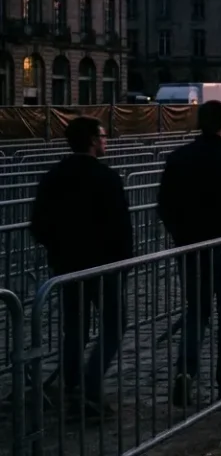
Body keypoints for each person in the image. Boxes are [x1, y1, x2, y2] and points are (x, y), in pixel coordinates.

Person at [157, 100, 221, 406]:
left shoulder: (178, 158)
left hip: (192, 248)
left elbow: (165, 204)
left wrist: (181, 235)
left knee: (196, 311)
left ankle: (186, 370)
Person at [30, 116, 131, 413]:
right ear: (92, 140)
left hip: (66, 265)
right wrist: (124, 262)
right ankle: (90, 382)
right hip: (104, 266)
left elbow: (39, 224)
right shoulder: (107, 177)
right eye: (103, 135)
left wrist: (59, 247)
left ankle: (73, 385)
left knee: (74, 328)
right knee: (114, 324)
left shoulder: (53, 176)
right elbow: (121, 227)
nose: (106, 140)